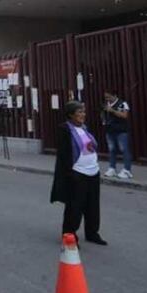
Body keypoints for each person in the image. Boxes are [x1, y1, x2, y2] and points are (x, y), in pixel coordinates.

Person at [50, 100, 107, 245]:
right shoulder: (65, 129)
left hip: (93, 171)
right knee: (75, 206)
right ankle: (69, 235)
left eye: (83, 112)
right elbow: (64, 155)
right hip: (77, 173)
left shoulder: (85, 128)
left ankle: (92, 232)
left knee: (93, 205)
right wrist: (70, 174)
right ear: (70, 115)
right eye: (79, 112)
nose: (83, 115)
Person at [102, 89, 132, 179]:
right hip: (110, 130)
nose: (107, 99)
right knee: (112, 150)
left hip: (121, 131)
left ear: (114, 95)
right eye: (105, 97)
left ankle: (127, 170)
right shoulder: (106, 104)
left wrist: (112, 111)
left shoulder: (122, 103)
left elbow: (125, 115)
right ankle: (112, 168)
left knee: (124, 149)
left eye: (108, 97)